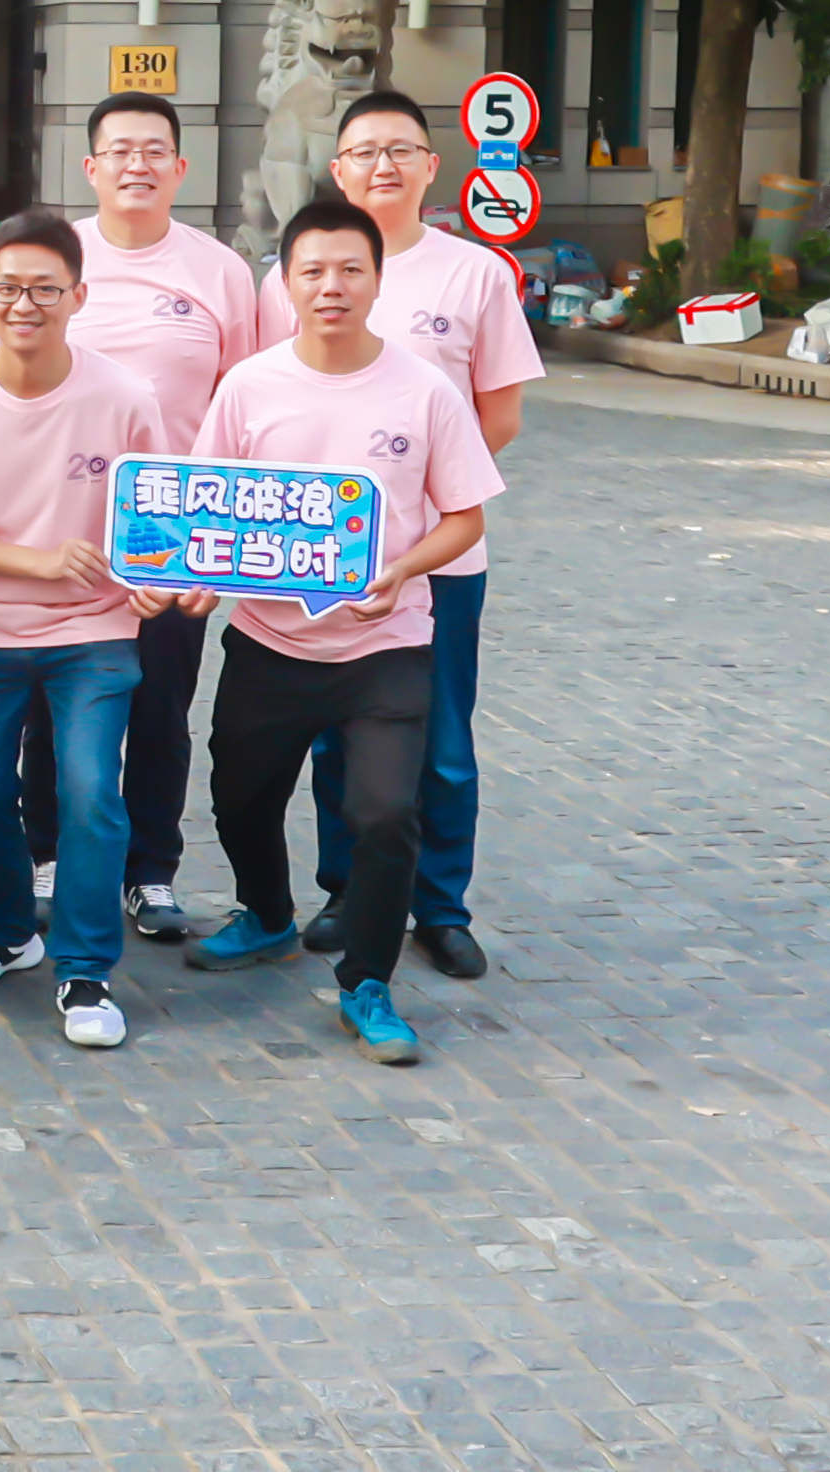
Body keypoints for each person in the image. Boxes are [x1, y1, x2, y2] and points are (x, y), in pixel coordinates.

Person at [184, 199, 506, 1065]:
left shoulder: (425, 390)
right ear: (285, 284)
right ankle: (267, 912)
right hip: (268, 643)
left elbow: (464, 517)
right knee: (239, 797)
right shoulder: (248, 386)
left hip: (386, 646)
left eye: (350, 270)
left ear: (377, 280)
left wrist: (399, 570)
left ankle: (368, 982)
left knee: (386, 813)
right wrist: (199, 582)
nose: (332, 286)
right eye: (313, 271)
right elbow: (209, 509)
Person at [255, 90, 541, 978]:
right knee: (339, 735)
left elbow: (499, 415)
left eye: (401, 150)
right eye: (365, 152)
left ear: (430, 167)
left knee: (442, 741)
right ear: (338, 170)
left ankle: (441, 906)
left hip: (438, 556)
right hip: (322, 556)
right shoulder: (291, 275)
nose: (383, 166)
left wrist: (419, 511)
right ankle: (347, 891)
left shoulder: (476, 276)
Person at [0, 211, 169, 1051]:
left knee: (90, 791)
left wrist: (155, 578)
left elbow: (155, 512)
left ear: (79, 296)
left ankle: (85, 969)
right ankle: (6, 930)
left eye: (45, 290)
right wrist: (38, 561)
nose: (25, 304)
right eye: (9, 288)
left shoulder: (125, 397)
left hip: (95, 631)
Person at [32, 90, 257, 940]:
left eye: (154, 150)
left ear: (180, 168)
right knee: (51, 702)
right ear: (91, 167)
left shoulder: (219, 272)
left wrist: (219, 551)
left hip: (175, 526)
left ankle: (151, 870)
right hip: (62, 519)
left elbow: (246, 409)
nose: (138, 164)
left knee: (161, 706)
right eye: (121, 150)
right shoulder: (57, 257)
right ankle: (48, 854)